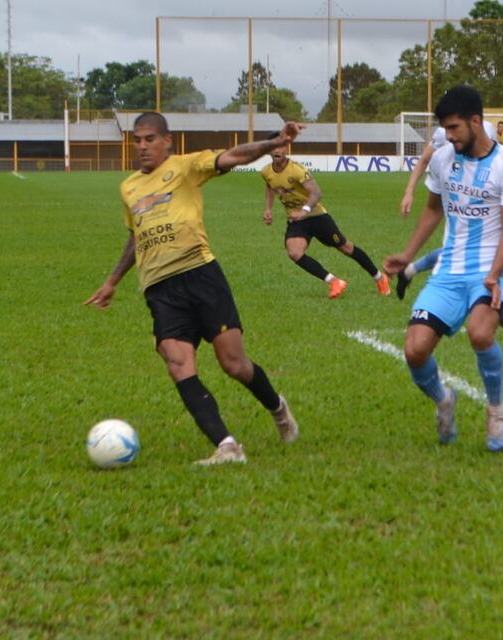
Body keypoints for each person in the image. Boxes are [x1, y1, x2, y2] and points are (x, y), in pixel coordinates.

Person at [84, 112, 300, 466]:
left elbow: (233, 155)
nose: (142, 146)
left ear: (167, 140)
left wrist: (274, 142)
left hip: (200, 275)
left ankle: (277, 408)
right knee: (177, 363)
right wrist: (111, 281)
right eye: (137, 140)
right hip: (159, 289)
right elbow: (135, 236)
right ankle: (227, 446)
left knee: (234, 364)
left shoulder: (186, 167)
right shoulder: (128, 188)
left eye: (150, 139)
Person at [385, 85, 503, 453]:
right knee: (415, 350)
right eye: (444, 129)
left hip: (492, 267)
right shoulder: (444, 159)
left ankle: (496, 410)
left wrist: (495, 276)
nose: (447, 137)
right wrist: (408, 254)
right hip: (449, 268)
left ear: (476, 122)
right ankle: (443, 400)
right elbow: (434, 209)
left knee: (480, 334)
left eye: (453, 128)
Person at [399, 118, 503, 330]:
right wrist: (409, 190)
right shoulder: (442, 134)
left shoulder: (486, 131)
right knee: (470, 250)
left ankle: (410, 271)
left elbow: (494, 159)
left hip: (487, 198)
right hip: (462, 202)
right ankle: (500, 309)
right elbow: (424, 160)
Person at [261, 136, 390, 298]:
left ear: (286, 149)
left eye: (280, 147)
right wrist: (268, 209)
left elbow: (316, 192)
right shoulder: (266, 171)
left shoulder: (296, 170)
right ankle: (334, 282)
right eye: (273, 147)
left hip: (316, 217)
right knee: (294, 253)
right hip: (296, 221)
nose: (276, 150)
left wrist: (305, 210)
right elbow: (270, 186)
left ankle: (379, 278)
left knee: (346, 248)